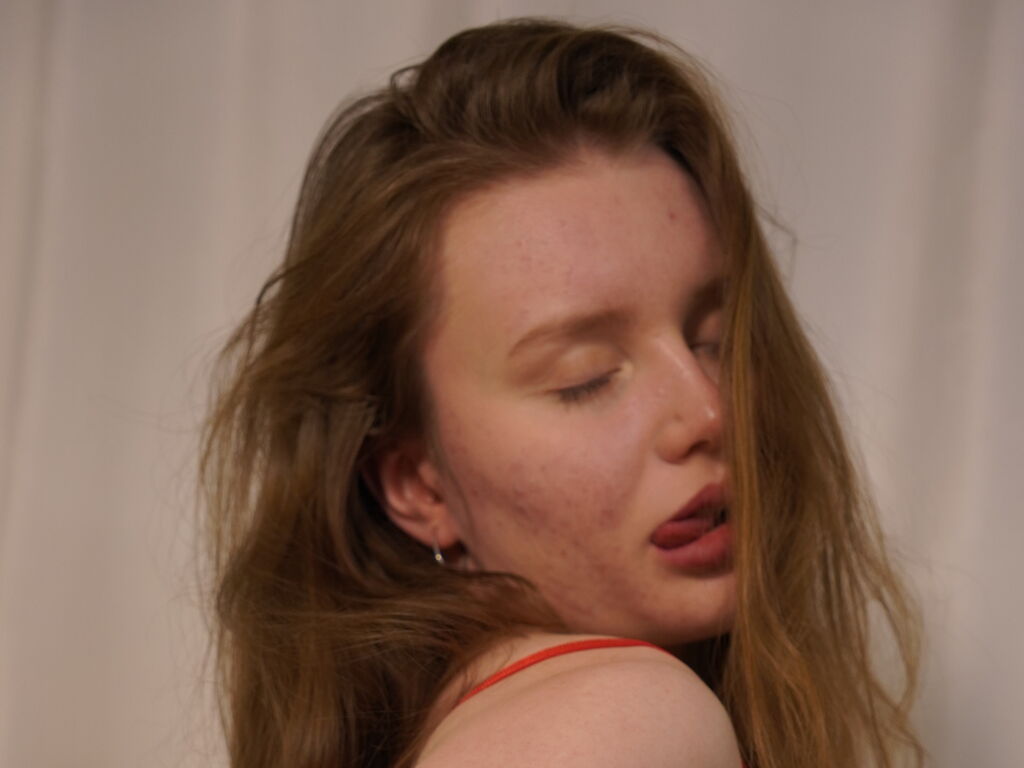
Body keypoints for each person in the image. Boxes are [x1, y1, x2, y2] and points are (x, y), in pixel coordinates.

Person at [200, 18, 924, 768]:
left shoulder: (473, 718)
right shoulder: (619, 717)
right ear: (419, 485)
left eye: (717, 338)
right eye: (586, 377)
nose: (710, 411)